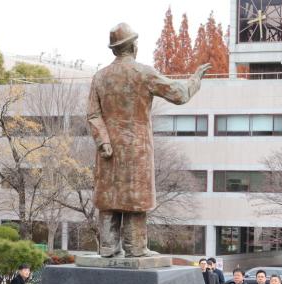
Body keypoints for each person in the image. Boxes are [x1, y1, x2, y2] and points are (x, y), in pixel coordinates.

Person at [87, 23, 210, 257]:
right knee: (135, 199)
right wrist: (195, 79)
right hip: (136, 147)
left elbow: (93, 114)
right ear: (133, 46)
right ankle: (135, 247)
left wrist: (103, 141)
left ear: (114, 50)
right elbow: (180, 94)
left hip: (108, 149)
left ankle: (108, 247)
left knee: (110, 197)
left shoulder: (100, 77)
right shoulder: (143, 73)